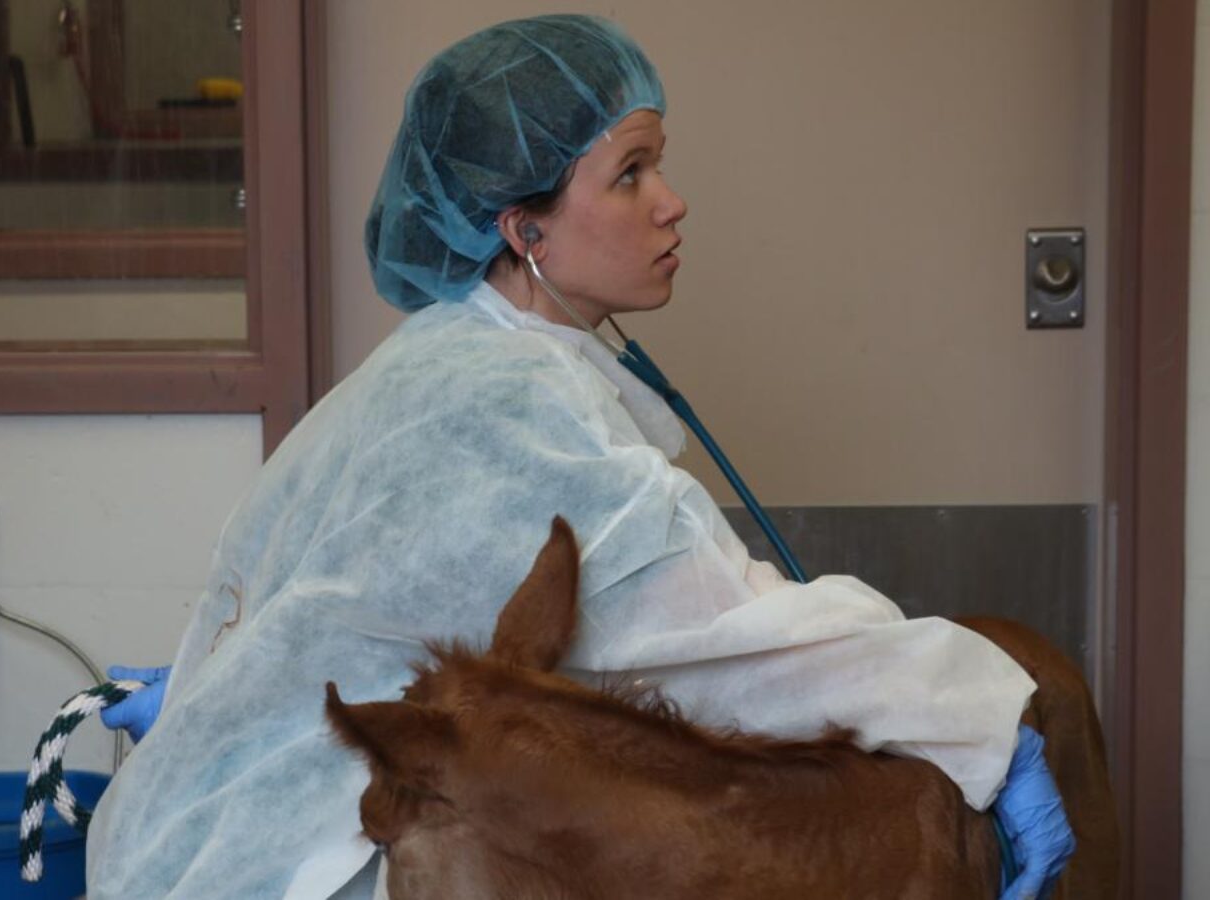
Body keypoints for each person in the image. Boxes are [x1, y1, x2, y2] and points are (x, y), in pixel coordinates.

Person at [87, 15, 1073, 900]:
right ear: (524, 231)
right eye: (630, 172)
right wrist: (981, 715)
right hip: (296, 866)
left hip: (195, 841)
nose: (672, 202)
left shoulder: (439, 360)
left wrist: (238, 699)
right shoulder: (510, 403)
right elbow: (727, 641)